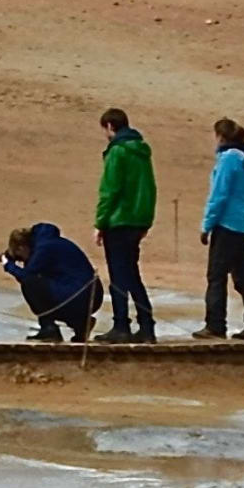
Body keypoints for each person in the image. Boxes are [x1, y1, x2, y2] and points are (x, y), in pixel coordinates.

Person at [93, 106, 159, 344]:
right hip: (137, 220)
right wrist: (146, 221)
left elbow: (110, 189)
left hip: (119, 221)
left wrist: (100, 222)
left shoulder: (117, 152)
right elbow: (150, 188)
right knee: (132, 274)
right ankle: (147, 325)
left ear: (110, 127)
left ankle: (121, 325)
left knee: (119, 277)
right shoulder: (142, 152)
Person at [197, 116, 244, 340]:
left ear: (221, 137)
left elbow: (219, 194)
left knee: (216, 275)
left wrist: (207, 224)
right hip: (242, 224)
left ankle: (215, 325)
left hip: (226, 224)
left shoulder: (227, 160)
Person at [2, 221, 102, 343]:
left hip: (79, 295)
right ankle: (80, 324)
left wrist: (8, 265)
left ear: (22, 247)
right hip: (92, 294)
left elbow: (27, 276)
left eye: (20, 257)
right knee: (47, 287)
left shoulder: (44, 248)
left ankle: (49, 328)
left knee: (31, 284)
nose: (23, 261)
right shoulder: (52, 243)